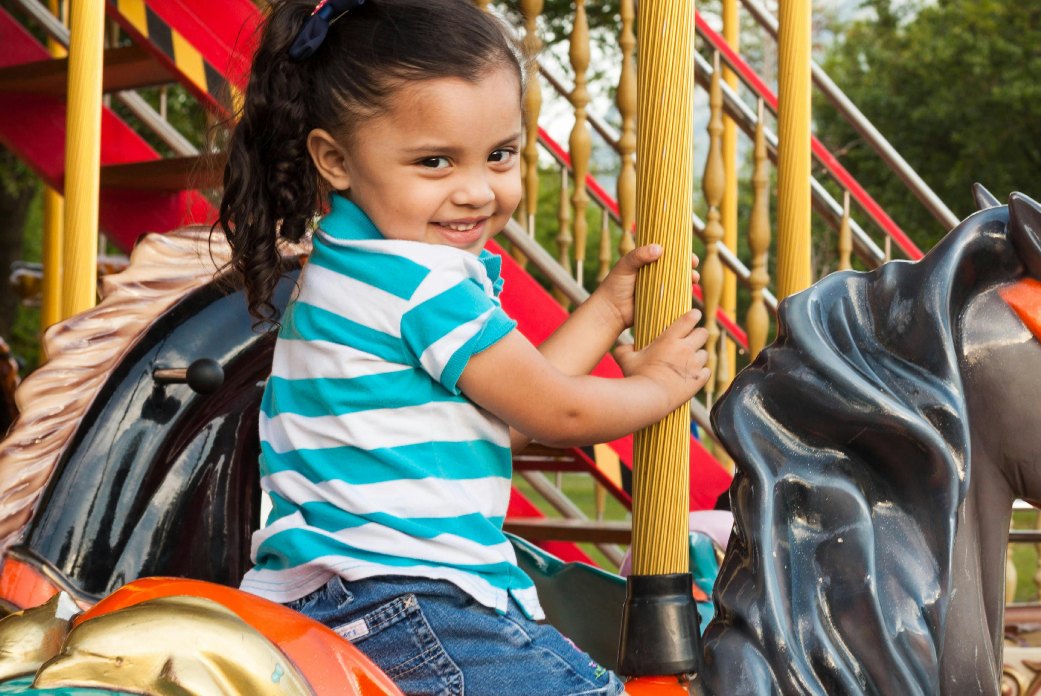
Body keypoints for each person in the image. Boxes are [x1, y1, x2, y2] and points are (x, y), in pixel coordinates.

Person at [214, 1, 710, 693]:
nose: (477, 191)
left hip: (336, 593)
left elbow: (506, 403)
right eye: (435, 161)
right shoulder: (423, 285)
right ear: (335, 159)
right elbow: (554, 413)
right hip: (413, 600)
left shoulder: (352, 264)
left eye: (500, 155)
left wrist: (605, 311)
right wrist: (661, 386)